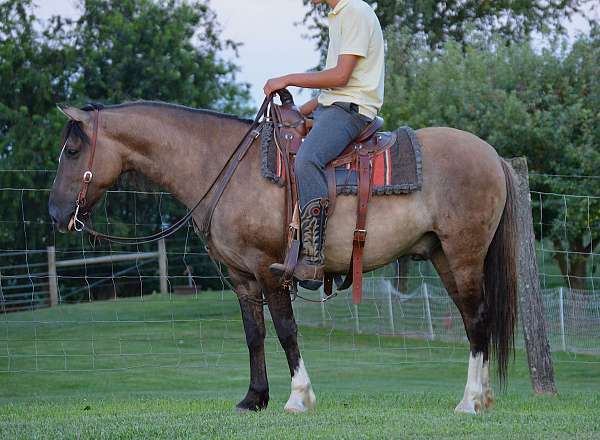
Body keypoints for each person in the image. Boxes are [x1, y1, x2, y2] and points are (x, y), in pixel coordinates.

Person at [266, 0, 385, 290]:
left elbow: (341, 76)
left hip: (352, 110)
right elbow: (332, 89)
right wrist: (301, 111)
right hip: (334, 106)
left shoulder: (355, 11)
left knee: (307, 159)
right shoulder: (339, 14)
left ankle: (313, 259)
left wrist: (288, 79)